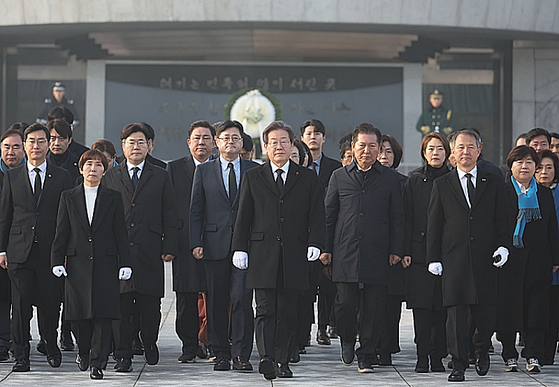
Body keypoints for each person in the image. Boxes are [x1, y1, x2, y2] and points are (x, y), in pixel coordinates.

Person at [232, 121, 325, 380]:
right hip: (262, 254)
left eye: (284, 141)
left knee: (288, 311)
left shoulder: (306, 177)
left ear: (292, 144)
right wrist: (239, 248)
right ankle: (266, 358)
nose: (279, 146)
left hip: (294, 254)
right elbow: (244, 217)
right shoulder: (253, 176)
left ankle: (283, 360)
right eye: (273, 142)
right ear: (265, 146)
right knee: (264, 309)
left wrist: (316, 243)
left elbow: (317, 215)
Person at [426, 128, 511, 382]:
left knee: (485, 312)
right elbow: (434, 224)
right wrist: (433, 258)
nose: (466, 152)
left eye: (470, 147)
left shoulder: (493, 181)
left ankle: (482, 349)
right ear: (453, 151)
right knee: (456, 316)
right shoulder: (442, 184)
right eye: (460, 147)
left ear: (479, 149)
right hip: (454, 260)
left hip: (486, 258)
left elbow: (503, 220)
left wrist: (503, 246)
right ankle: (459, 363)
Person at [320, 123, 405, 373]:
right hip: (345, 249)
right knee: (344, 304)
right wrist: (326, 248)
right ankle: (347, 338)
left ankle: (366, 354)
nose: (366, 151)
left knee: (374, 307)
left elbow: (397, 216)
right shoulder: (339, 176)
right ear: (352, 147)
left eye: (372, 146)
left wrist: (396, 250)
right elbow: (328, 215)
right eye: (361, 145)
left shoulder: (389, 178)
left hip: (378, 250)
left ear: (379, 148)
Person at [103, 123, 178, 372]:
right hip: (119, 250)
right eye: (131, 142)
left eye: (141, 142)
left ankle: (149, 341)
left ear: (150, 146)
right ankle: (123, 354)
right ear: (122, 146)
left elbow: (170, 212)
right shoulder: (111, 176)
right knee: (122, 305)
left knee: (150, 303)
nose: (136, 147)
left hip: (150, 248)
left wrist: (169, 245)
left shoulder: (160, 174)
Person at [50, 149, 132, 380]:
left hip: (106, 262)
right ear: (81, 168)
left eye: (98, 165)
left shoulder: (113, 197)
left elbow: (120, 233)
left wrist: (125, 262)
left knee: (103, 315)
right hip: (76, 263)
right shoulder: (68, 196)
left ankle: (98, 362)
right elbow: (61, 231)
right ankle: (83, 350)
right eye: (89, 165)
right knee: (77, 315)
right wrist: (57, 260)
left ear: (105, 171)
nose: (93, 169)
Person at [0, 123, 72, 372]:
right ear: (25, 144)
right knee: (19, 308)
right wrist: (2, 250)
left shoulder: (62, 176)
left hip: (50, 253)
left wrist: (64, 253)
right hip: (19, 252)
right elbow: (5, 216)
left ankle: (51, 346)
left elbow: (67, 219)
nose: (36, 146)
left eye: (42, 141)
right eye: (31, 141)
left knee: (50, 305)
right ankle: (21, 356)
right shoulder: (12, 177)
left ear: (48, 144)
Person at [190, 120, 258, 372]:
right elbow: (196, 209)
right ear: (216, 142)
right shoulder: (204, 171)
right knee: (216, 301)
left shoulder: (253, 169)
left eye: (235, 138)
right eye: (225, 138)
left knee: (242, 299)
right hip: (213, 244)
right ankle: (220, 352)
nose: (230, 142)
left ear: (242, 143)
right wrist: (195, 242)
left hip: (245, 246)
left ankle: (241, 354)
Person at [496, 146, 559, 373]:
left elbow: (552, 227)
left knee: (537, 310)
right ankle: (509, 355)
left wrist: (555, 257)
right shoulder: (502, 191)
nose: (525, 166)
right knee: (509, 309)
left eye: (530, 163)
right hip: (509, 261)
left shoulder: (543, 193)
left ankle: (533, 355)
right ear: (511, 165)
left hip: (538, 260)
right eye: (520, 162)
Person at [166, 121, 215, 364]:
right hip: (183, 242)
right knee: (185, 297)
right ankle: (189, 345)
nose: (201, 143)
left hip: (215, 241)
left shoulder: (220, 168)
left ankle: (214, 342)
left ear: (214, 143)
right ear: (188, 142)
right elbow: (167, 208)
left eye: (206, 138)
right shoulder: (174, 169)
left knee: (215, 295)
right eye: (197, 138)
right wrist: (169, 244)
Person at [403, 132, 451, 373]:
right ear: (423, 152)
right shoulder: (413, 180)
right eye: (431, 148)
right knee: (422, 309)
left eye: (440, 148)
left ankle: (438, 356)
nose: (435, 153)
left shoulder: (453, 179)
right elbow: (406, 217)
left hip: (447, 252)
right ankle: (422, 356)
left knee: (442, 309)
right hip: (419, 252)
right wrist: (405, 250)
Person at [300, 118, 341, 345]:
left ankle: (323, 328)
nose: (313, 137)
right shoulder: (297, 167)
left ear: (324, 138)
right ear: (302, 138)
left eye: (317, 133)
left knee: (326, 287)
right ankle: (304, 329)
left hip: (326, 236)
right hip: (302, 238)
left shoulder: (334, 168)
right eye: (308, 133)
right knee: (305, 289)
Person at [376, 133, 407, 365]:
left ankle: (387, 349)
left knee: (391, 302)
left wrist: (402, 249)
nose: (384, 156)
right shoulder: (368, 180)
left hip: (395, 251)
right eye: (381, 151)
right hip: (372, 250)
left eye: (389, 152)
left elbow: (406, 219)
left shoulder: (405, 182)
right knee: (373, 302)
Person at [0, 128, 27, 361]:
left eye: (16, 147)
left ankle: (18, 339)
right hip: (2, 246)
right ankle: (3, 340)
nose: (11, 152)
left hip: (21, 246)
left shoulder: (29, 175)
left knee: (19, 299)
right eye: (7, 147)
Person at [533, 150, 559, 365]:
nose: (543, 172)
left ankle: (548, 353)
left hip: (554, 257)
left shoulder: (554, 193)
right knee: (541, 308)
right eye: (539, 167)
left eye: (548, 167)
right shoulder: (530, 193)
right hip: (540, 260)